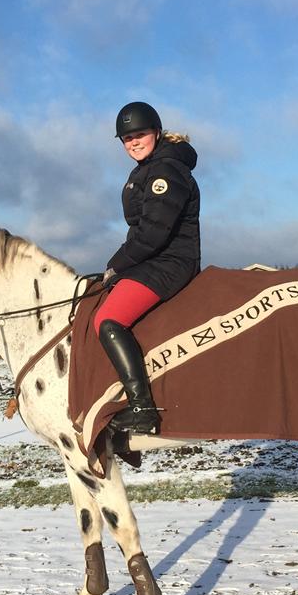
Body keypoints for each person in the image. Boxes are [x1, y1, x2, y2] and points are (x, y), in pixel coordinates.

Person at [95, 100, 201, 435]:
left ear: (156, 132)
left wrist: (116, 265)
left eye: (139, 134)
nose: (133, 142)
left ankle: (142, 408)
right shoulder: (145, 168)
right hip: (152, 258)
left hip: (170, 261)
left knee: (108, 319)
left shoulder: (166, 170)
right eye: (127, 139)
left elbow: (153, 233)